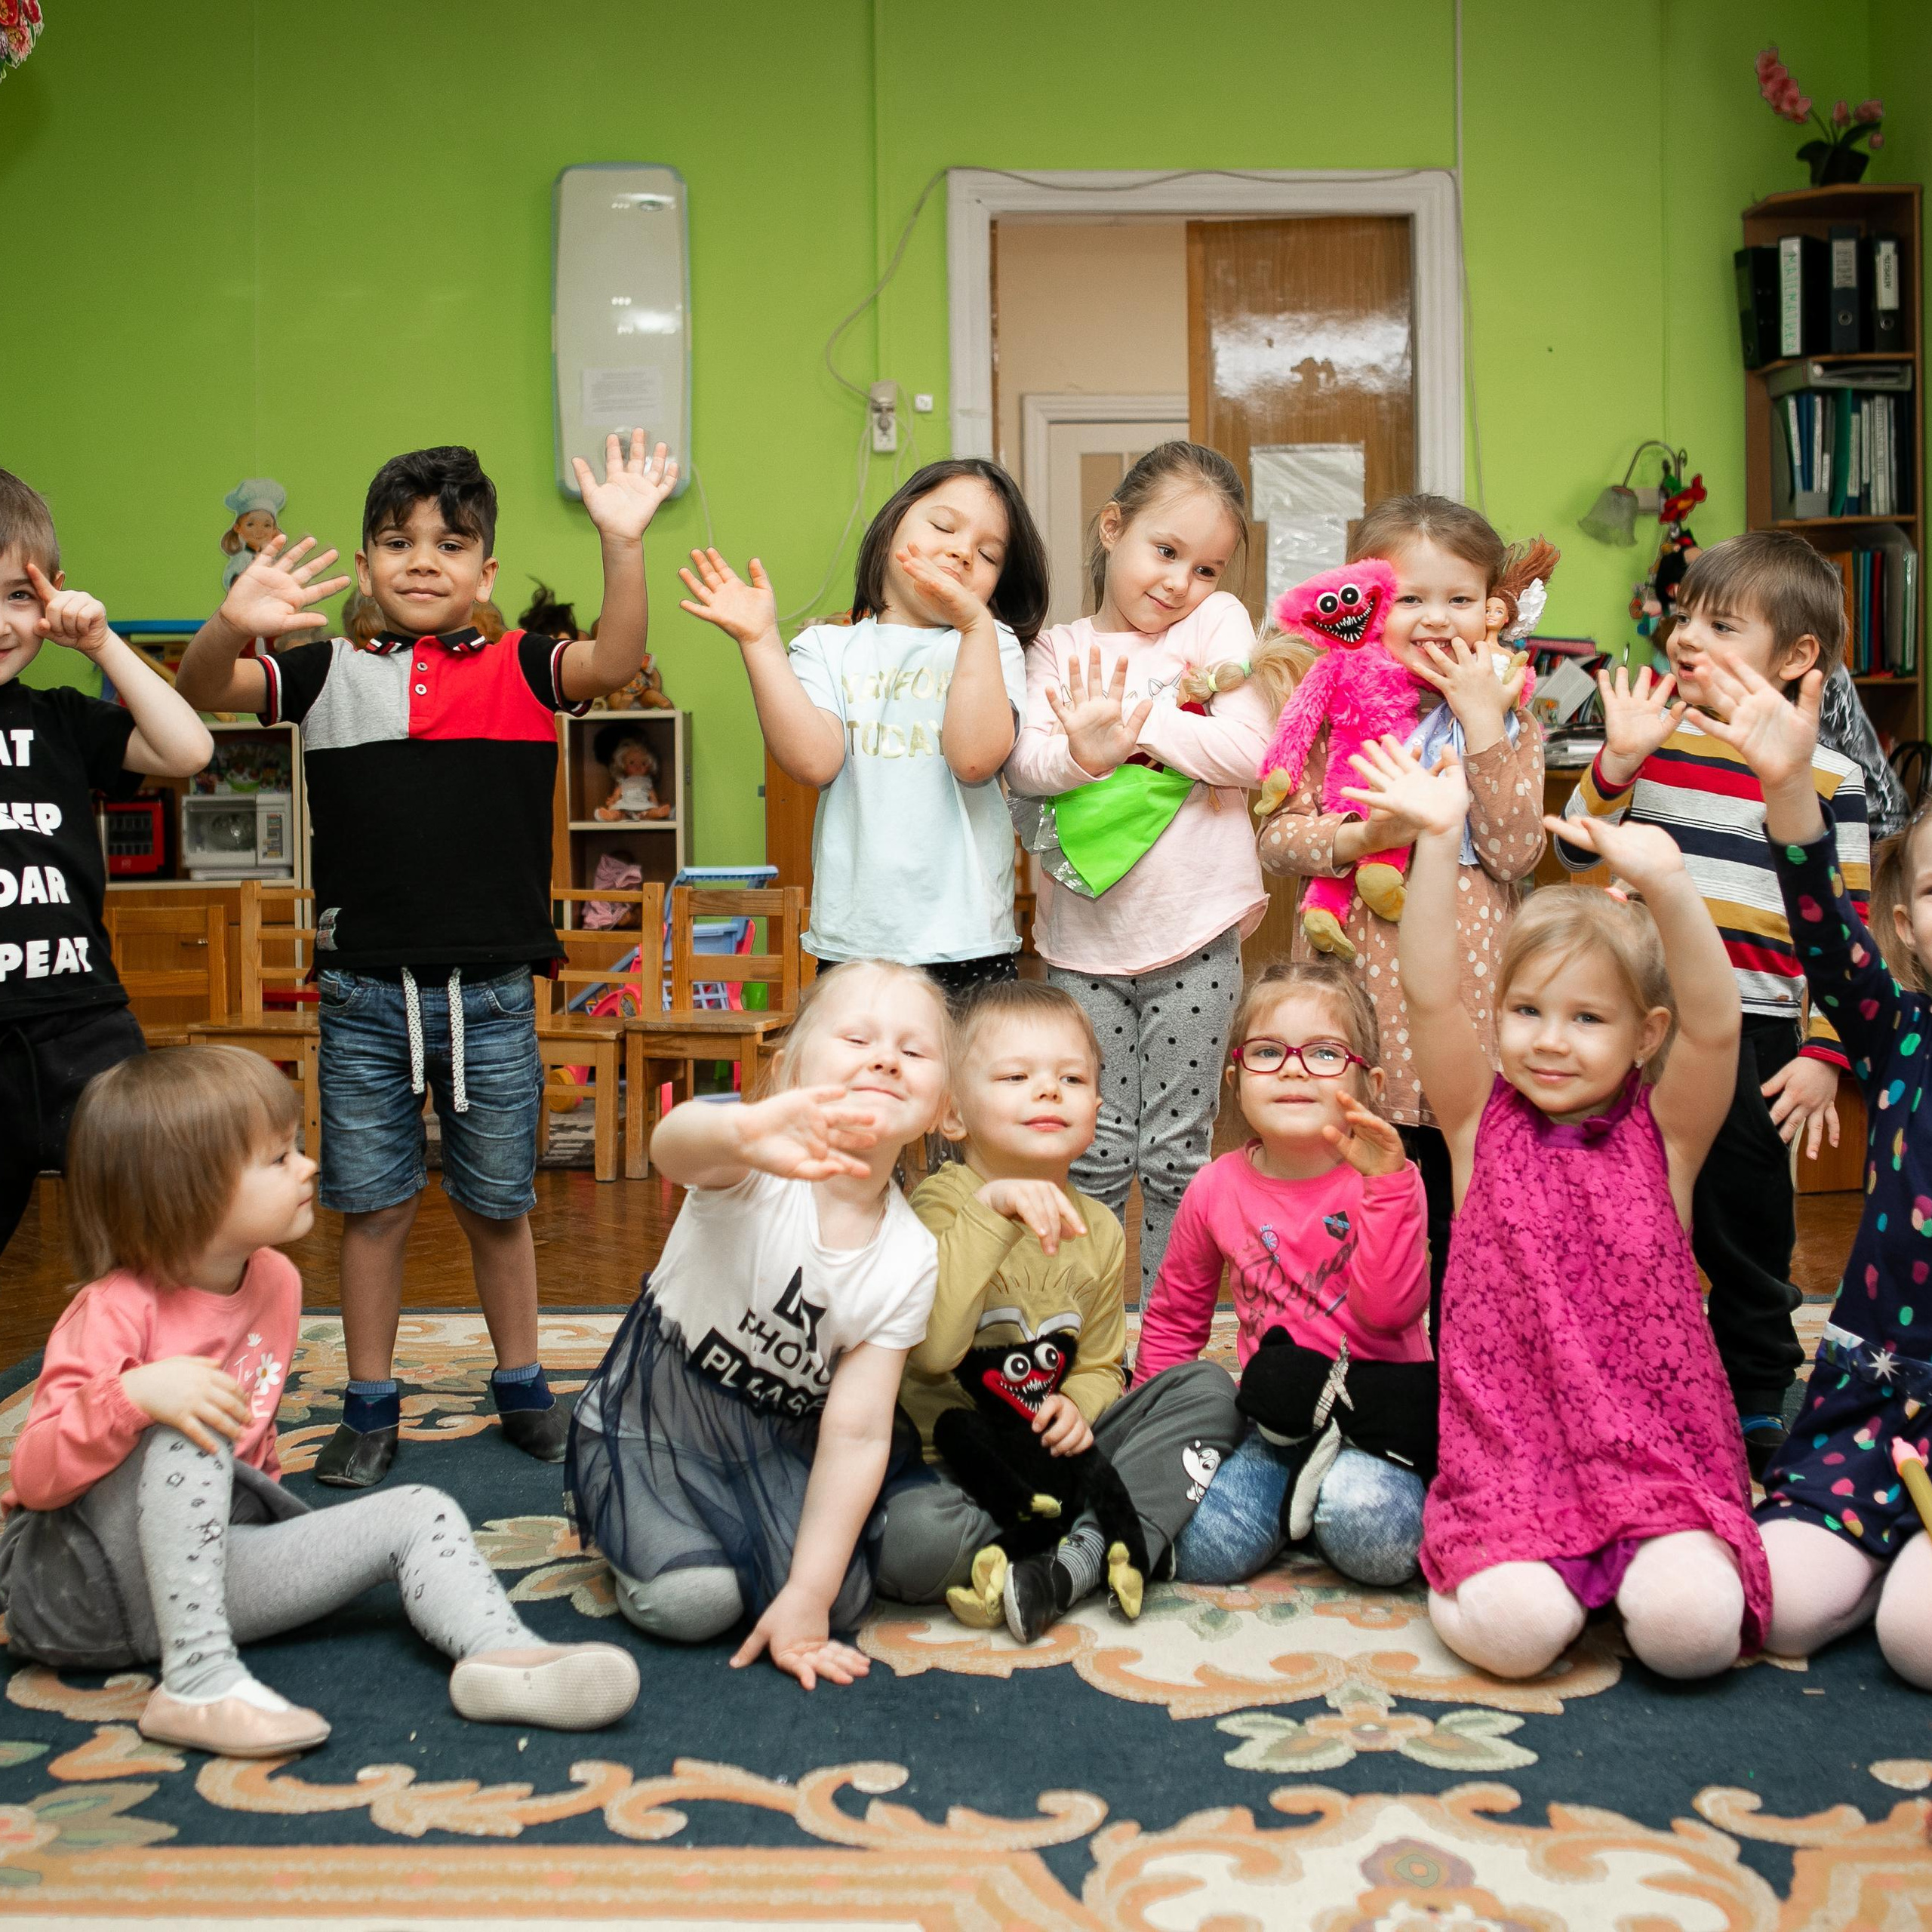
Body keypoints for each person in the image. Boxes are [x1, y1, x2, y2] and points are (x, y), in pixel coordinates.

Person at [173, 435, 680, 1489]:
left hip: (491, 997)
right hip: (362, 996)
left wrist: (620, 546)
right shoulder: (324, 672)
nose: (421, 560)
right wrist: (229, 621)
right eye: (397, 542)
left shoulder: (524, 667)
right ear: (364, 566)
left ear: (485, 573)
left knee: (501, 1204)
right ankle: (369, 1402)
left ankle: (523, 1383)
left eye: (451, 544)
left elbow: (618, 658)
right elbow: (203, 691)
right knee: (376, 1205)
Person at [0, 1047, 639, 1758]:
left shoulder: (274, 1280)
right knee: (189, 1426)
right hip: (78, 1590)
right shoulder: (113, 1310)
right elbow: (33, 1477)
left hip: (201, 1579)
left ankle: (501, 1658)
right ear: (185, 1191)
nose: (306, 1167)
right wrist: (132, 1397)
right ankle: (198, 1685)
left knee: (420, 1509)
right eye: (278, 1160)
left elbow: (257, 1449)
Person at [1349, 733, 1769, 1681]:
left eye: (1587, 1019)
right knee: (1515, 1634)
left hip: (1653, 1457)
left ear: (1642, 1033)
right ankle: (1532, 1576)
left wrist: (1669, 886)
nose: (1549, 1041)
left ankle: (1639, 1568)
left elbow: (1718, 1022)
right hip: (1511, 1457)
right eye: (1527, 1011)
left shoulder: (1666, 1135)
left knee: (1690, 1631)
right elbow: (1426, 993)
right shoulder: (1472, 1120)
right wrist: (1433, 840)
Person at [1558, 531, 1869, 1472]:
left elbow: (1844, 929)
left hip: (1760, 1030)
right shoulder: (1659, 740)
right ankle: (1615, 1376)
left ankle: (1757, 1388)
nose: (1687, 635)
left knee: (1746, 1222)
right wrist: (1616, 761)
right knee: (1621, 1210)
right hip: (1641, 1024)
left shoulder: (1833, 779)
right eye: (1685, 615)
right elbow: (1578, 850)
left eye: (1721, 623)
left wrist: (1822, 1053)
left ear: (1797, 656)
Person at [567, 961, 949, 1690]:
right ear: (788, 1073)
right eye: (857, 1037)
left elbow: (858, 1431)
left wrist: (806, 1592)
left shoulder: (910, 1255)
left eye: (914, 1050)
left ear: (942, 1109)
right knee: (694, 1604)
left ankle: (753, 1558)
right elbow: (672, 1144)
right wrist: (743, 1130)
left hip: (775, 1440)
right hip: (657, 1428)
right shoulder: (749, 1161)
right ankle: (620, 1505)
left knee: (836, 1598)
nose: (884, 1058)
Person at [1004, 441, 1297, 1291]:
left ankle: (1168, 1333)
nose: (1178, 583)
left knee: (1176, 1153)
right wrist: (1084, 758)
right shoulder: (1054, 650)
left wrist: (1132, 730)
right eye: (1164, 552)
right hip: (1082, 946)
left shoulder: (1216, 628)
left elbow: (1248, 748)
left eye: (1205, 567)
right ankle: (1089, 1322)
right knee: (1090, 1151)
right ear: (1113, 528)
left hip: (1196, 939)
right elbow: (1027, 766)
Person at [1692, 651, 1932, 1688]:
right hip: (1871, 1409)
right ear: (1912, 922)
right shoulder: (1899, 1032)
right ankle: (1876, 1557)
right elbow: (1825, 943)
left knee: (1918, 1646)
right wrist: (1789, 786)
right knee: (1772, 1617)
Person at [1257, 495, 1552, 1315]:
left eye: (1458, 599)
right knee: (1351, 1204)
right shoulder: (1329, 708)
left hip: (1467, 1010)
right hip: (1355, 998)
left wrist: (1485, 727)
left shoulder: (1510, 717)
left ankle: (1464, 1360)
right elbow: (1277, 840)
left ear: (1492, 610)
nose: (1433, 619)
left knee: (1466, 1212)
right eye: (1409, 599)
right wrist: (1361, 836)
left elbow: (1516, 852)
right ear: (1365, 602)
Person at [878, 980, 1240, 1642]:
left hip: (1061, 1453)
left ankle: (1076, 1553)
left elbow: (1103, 1364)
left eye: (1071, 1079)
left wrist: (1077, 1402)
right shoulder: (939, 1205)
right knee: (911, 1549)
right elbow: (933, 1355)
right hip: (957, 1468)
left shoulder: (1099, 1228)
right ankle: (1098, 1531)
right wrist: (994, 1215)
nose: (1048, 1091)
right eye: (1016, 1076)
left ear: (1097, 1109)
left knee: (1210, 1389)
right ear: (953, 1114)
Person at [677, 459, 1046, 998]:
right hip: (855, 946)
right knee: (862, 1083)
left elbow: (974, 759)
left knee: (968, 1085)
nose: (963, 551)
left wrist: (974, 627)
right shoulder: (827, 647)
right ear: (892, 526)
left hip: (967, 941)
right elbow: (813, 761)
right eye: (944, 528)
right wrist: (760, 643)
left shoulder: (993, 646)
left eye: (988, 554)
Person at [1143, 962, 1434, 1588]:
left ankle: (1324, 1502)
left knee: (1373, 1538)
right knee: (1203, 1553)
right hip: (1275, 1420)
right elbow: (1175, 1318)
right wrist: (1153, 1426)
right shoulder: (1214, 1187)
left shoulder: (1388, 1182)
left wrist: (1386, 1186)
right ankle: (1298, 1501)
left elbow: (1391, 1313)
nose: (1294, 1068)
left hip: (1372, 1421)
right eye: (1269, 1052)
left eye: (1324, 1053)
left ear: (1370, 1081)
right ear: (1235, 1078)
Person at [0, 469, 213, 1256]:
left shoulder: (60, 718)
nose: (1, 623)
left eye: (17, 597)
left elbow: (188, 750)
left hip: (80, 1021)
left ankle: (154, 1370)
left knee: (152, 1226)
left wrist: (101, 643)